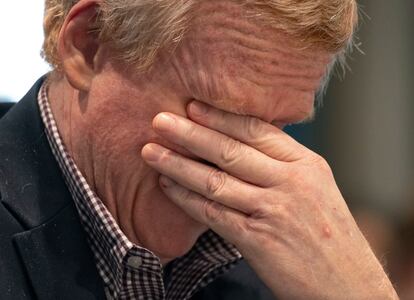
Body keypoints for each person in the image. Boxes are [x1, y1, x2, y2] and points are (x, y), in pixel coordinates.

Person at [0, 0, 399, 299]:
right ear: (88, 45)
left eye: (277, 129)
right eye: (219, 117)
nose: (245, 167)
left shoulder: (286, 273)